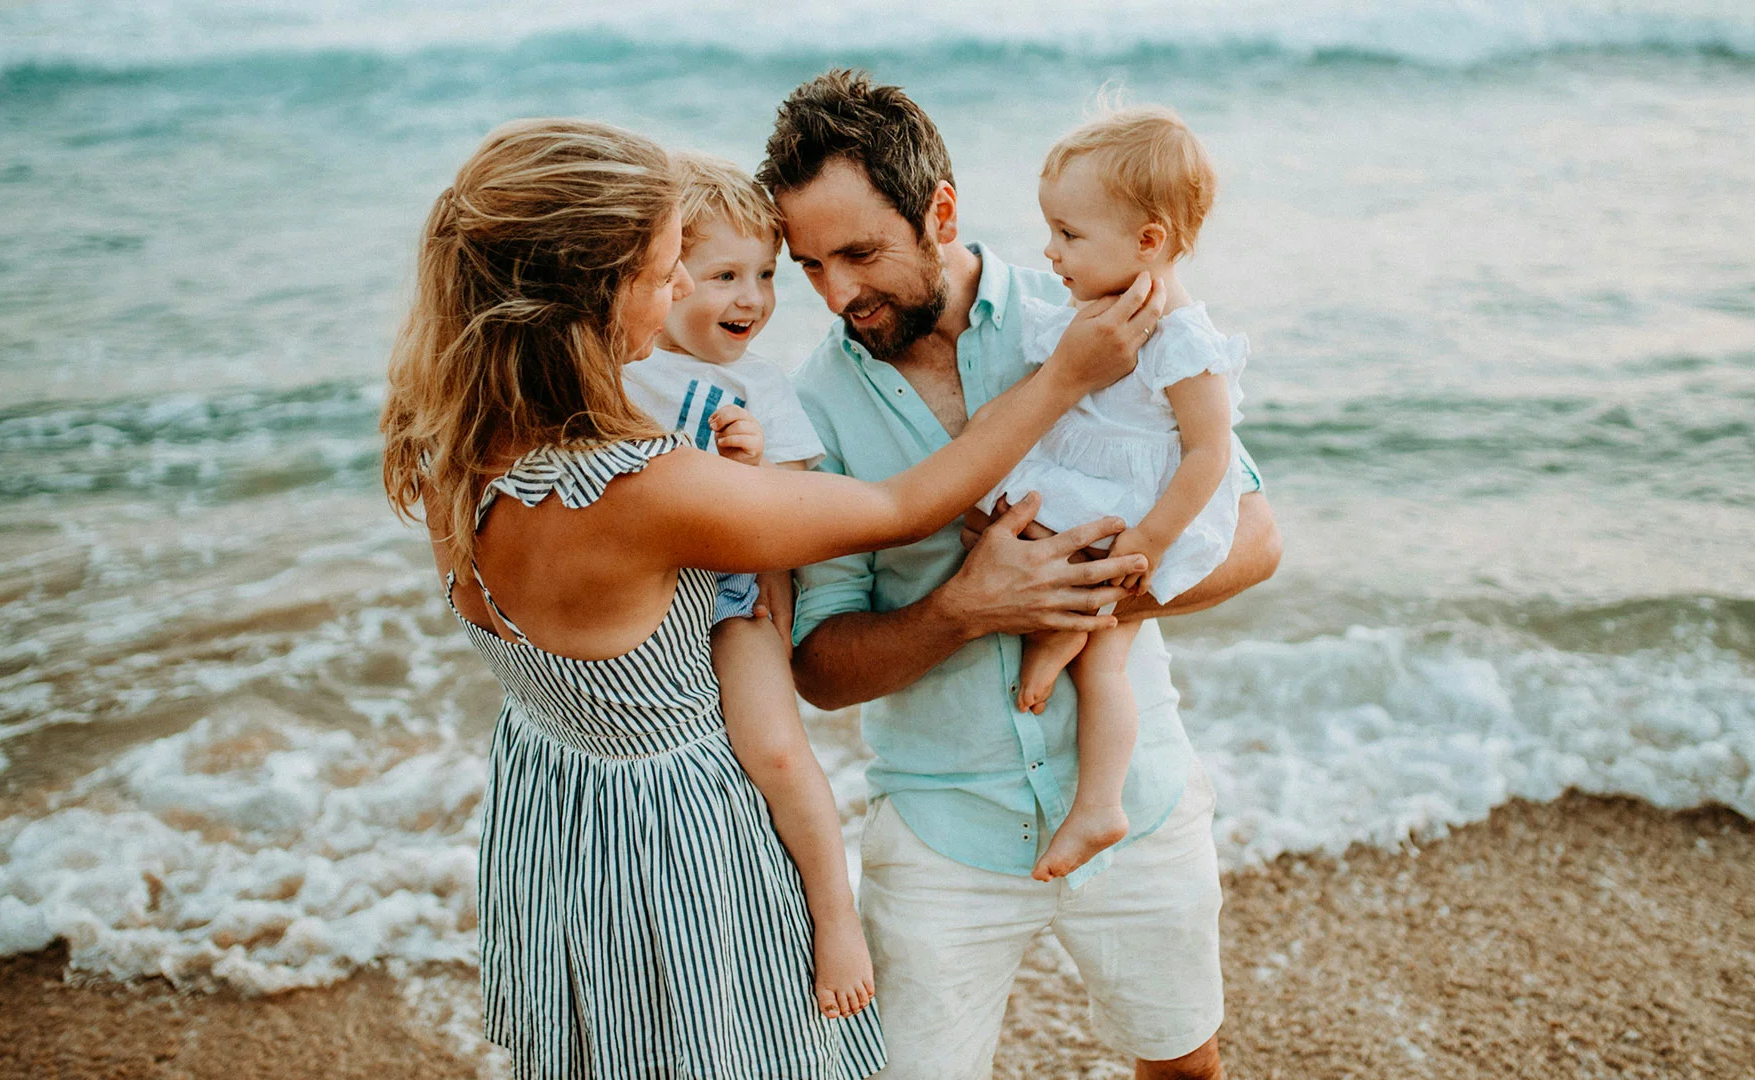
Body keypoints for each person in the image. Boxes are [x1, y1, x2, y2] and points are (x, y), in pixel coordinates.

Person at [377, 117, 1163, 1079]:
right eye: (666, 270)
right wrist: (1067, 378)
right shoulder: (644, 486)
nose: (679, 292)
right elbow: (899, 503)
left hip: (561, 808)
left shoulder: (453, 446)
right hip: (681, 838)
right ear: (594, 292)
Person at [761, 70, 1282, 1080]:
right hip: (943, 832)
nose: (836, 294)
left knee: (1182, 1065)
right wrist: (968, 607)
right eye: (809, 264)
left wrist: (1093, 589)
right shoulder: (807, 408)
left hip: (1138, 793)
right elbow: (820, 668)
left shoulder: (1096, 303)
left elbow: (1254, 533)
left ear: (940, 210)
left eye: (861, 252)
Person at [619, 150, 874, 1019]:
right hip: (640, 600)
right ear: (664, 275)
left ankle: (835, 916)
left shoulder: (760, 384)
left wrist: (752, 464)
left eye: (766, 275)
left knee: (770, 747)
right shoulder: (622, 367)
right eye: (725, 274)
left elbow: (798, 502)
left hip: (736, 601)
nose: (754, 299)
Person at [970, 107, 1252, 883]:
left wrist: (1150, 544)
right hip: (1094, 487)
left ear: (1148, 241)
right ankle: (1066, 634)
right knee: (1005, 521)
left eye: (1068, 235)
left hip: (1144, 510)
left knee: (1105, 661)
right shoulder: (1099, 306)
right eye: (1051, 232)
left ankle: (1099, 805)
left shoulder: (1186, 338)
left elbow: (1208, 453)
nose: (1050, 251)